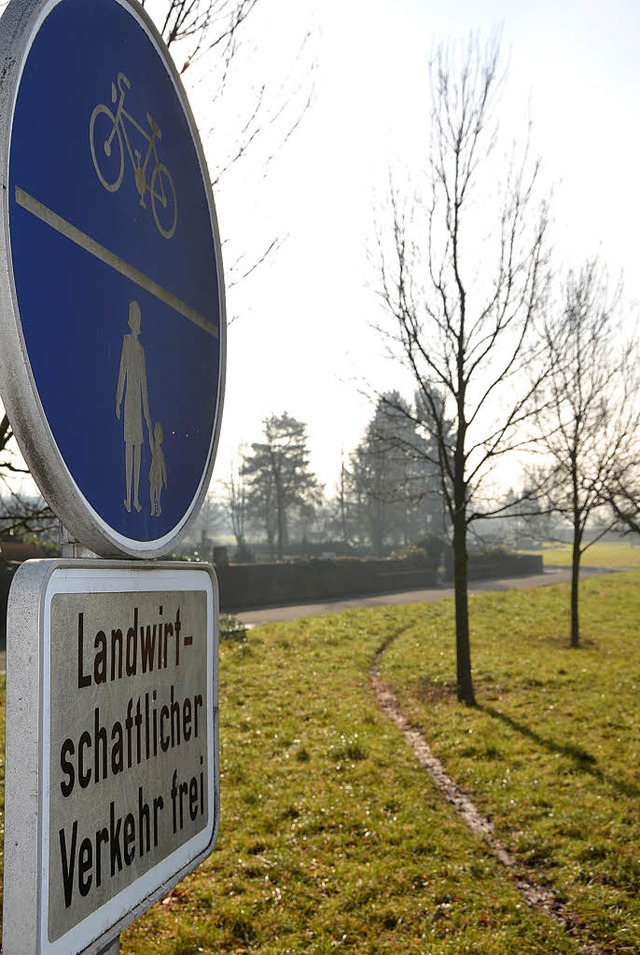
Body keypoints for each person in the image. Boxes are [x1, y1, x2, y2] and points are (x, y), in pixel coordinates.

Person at [115, 300, 151, 513]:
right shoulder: (126, 343)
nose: (135, 320)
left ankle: (136, 498)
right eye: (133, 316)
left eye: (137, 317)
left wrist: (147, 414)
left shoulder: (141, 350)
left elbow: (145, 384)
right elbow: (122, 372)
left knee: (138, 451)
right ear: (130, 320)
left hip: (138, 405)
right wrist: (118, 400)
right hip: (129, 401)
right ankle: (128, 497)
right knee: (129, 450)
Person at [149, 421, 168, 516]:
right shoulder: (154, 448)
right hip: (153, 473)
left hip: (158, 474)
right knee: (152, 492)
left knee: (157, 493)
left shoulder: (160, 452)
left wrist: (165, 479)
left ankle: (158, 508)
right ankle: (153, 508)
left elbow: (163, 466)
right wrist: (149, 427)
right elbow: (150, 439)